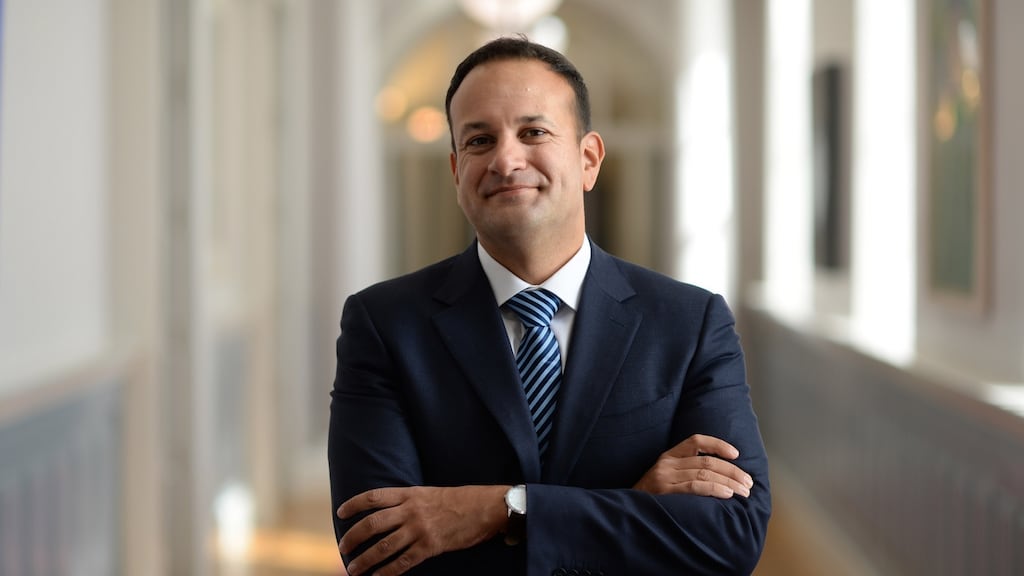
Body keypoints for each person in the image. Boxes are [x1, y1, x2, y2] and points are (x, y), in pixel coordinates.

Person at [328, 36, 771, 576]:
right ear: (455, 171)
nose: (505, 158)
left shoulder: (690, 323)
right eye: (479, 140)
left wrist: (502, 510)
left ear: (588, 159)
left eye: (533, 132)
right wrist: (634, 501)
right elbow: (378, 550)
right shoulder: (383, 325)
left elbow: (730, 538)